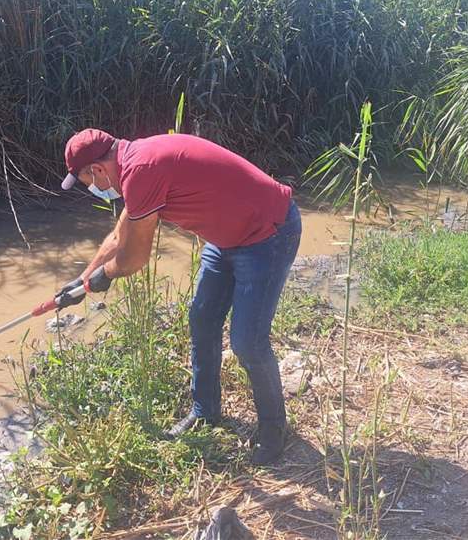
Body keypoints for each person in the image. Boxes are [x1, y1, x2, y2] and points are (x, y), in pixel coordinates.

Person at [53, 128, 301, 465]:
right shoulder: (135, 164)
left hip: (267, 232)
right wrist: (81, 282)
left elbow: (133, 258)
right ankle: (205, 411)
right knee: (202, 318)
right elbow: (118, 236)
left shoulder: (141, 170)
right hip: (226, 239)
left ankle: (274, 431)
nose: (93, 189)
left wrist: (104, 276)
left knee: (248, 342)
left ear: (97, 169)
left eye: (87, 181)